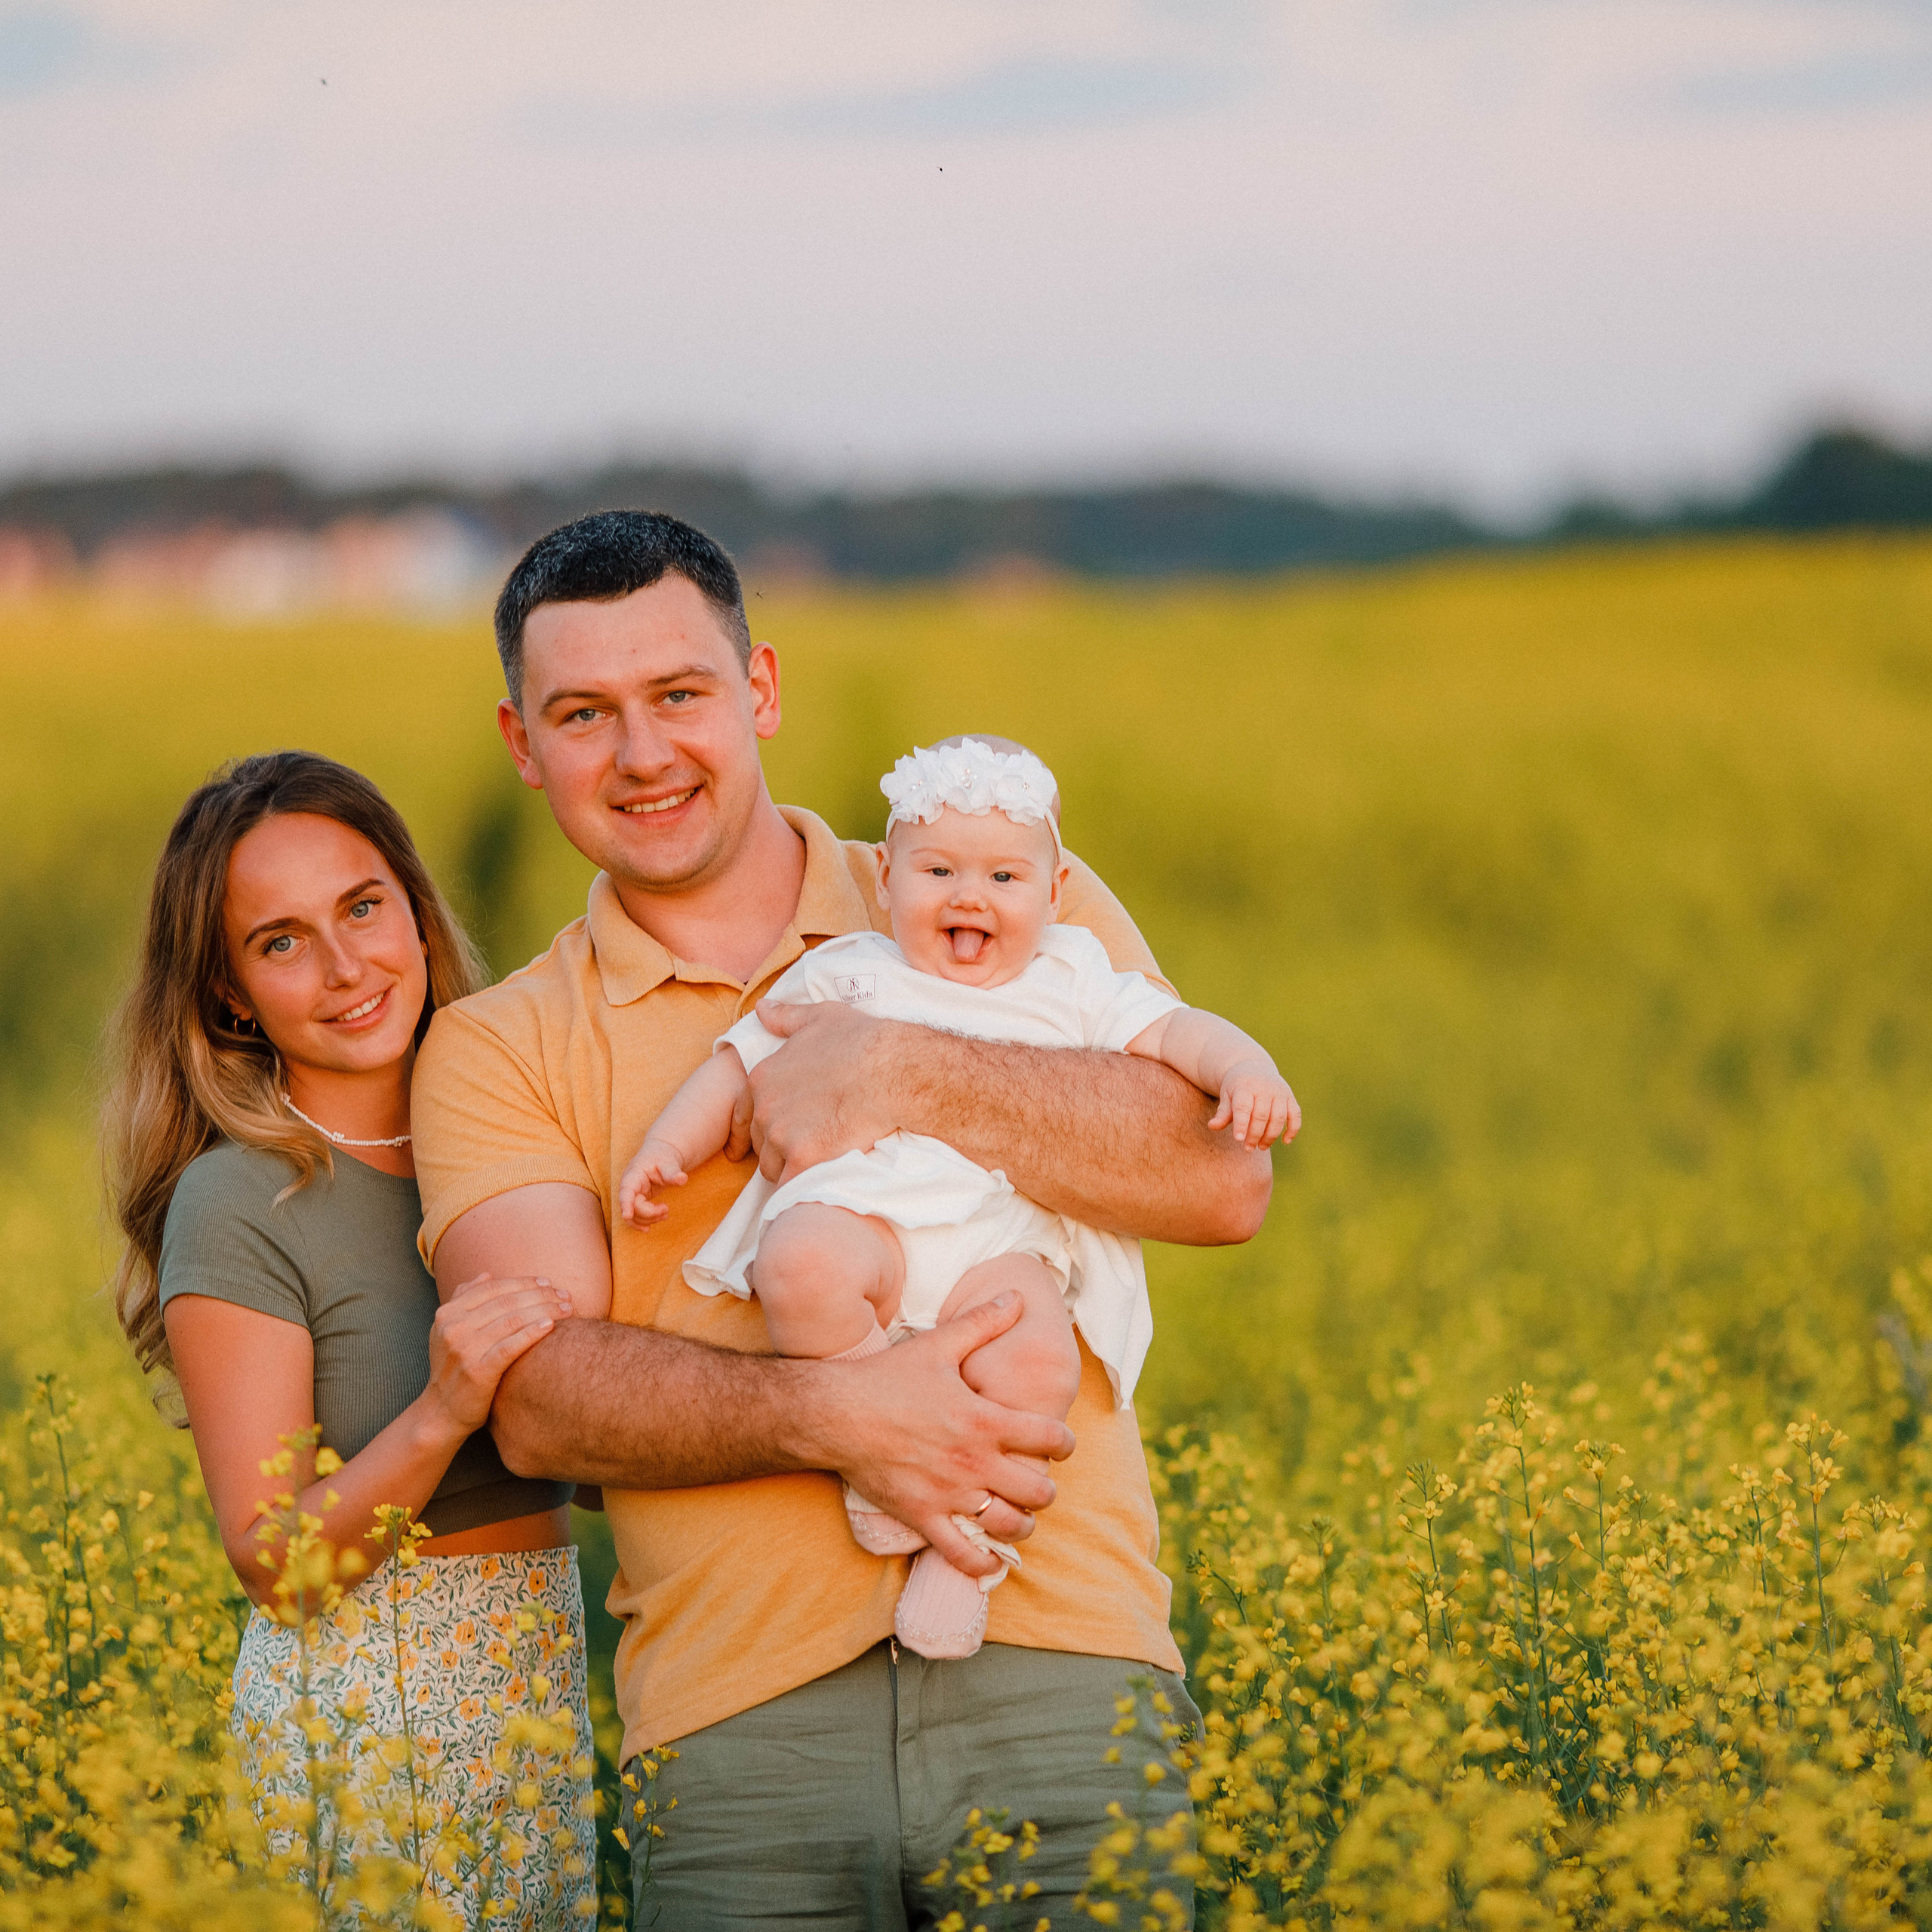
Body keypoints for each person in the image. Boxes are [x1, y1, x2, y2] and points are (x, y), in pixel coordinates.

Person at [411, 509, 1275, 1927]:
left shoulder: (987, 879)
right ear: (521, 745)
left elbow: (1218, 1176)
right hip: (743, 1734)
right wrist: (846, 1415)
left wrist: (897, 1064)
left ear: (758, 691)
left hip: (1065, 1670)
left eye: (679, 697)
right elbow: (545, 1406)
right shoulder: (501, 1047)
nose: (641, 755)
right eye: (584, 714)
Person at [615, 734, 1297, 1660]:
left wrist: (1246, 1069)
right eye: (937, 870)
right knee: (799, 1261)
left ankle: (963, 1549)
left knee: (1038, 1367)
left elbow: (1178, 1032)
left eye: (1005, 879)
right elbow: (738, 1062)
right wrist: (667, 1145)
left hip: (999, 1247)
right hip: (876, 1226)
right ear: (885, 878)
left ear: (1053, 896)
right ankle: (877, 1444)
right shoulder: (849, 970)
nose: (969, 896)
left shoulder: (1074, 978)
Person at [103, 751, 597, 1929]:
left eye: (362, 908)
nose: (343, 968)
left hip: (534, 1695)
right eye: (280, 942)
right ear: (230, 997)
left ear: (416, 913)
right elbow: (274, 1565)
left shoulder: (516, 1136)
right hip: (374, 1723)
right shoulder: (241, 1201)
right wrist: (443, 1409)